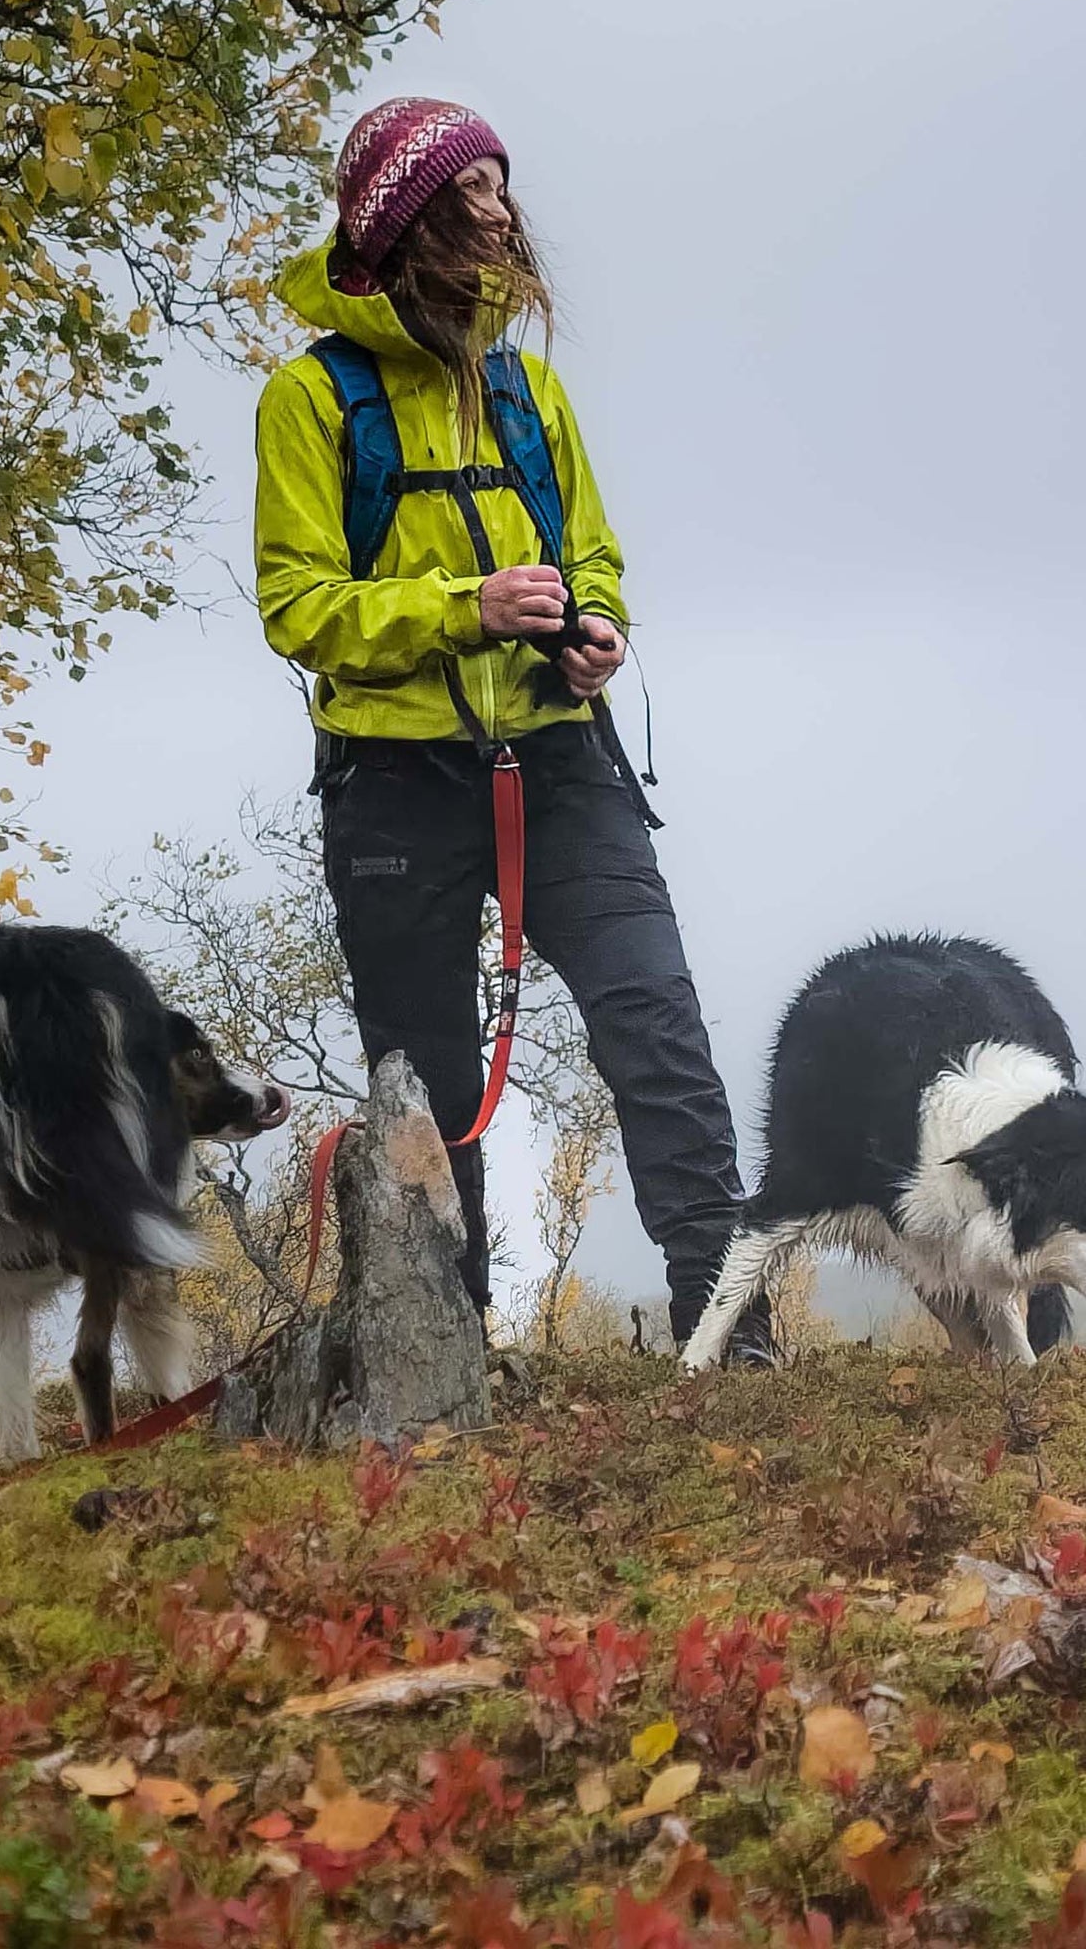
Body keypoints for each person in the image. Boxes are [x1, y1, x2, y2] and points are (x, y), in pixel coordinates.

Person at [254, 95, 768, 1360]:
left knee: (657, 1023)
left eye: (499, 187)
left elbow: (590, 547)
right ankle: (447, 1354)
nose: (498, 212)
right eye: (471, 192)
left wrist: (591, 624)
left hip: (559, 760)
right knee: (424, 1084)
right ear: (402, 218)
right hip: (392, 783)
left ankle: (730, 1333)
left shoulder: (529, 387)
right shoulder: (309, 399)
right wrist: (462, 607)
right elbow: (297, 605)